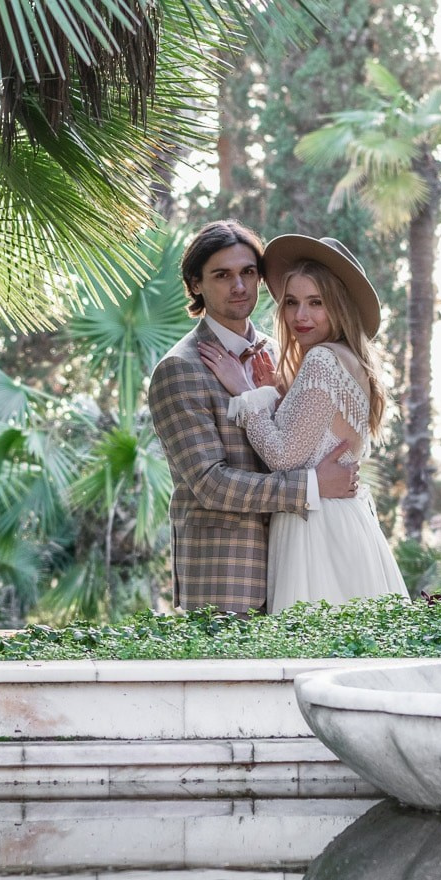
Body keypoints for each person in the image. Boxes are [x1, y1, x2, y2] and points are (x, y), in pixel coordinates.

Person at [147, 221, 356, 614]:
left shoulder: (284, 353)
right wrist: (312, 487)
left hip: (300, 558)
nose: (239, 286)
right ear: (195, 284)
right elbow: (210, 483)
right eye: (222, 275)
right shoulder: (180, 369)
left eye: (248, 272)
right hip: (226, 577)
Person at [211, 234, 407, 612]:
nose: (300, 316)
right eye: (292, 303)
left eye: (316, 303)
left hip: (317, 528)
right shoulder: (347, 359)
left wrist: (246, 391)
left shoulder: (322, 360)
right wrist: (275, 394)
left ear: (340, 307)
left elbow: (284, 456)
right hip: (342, 521)